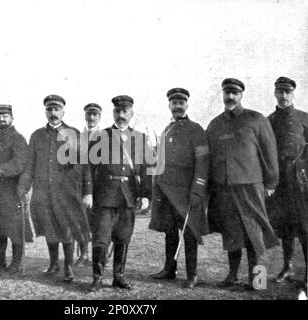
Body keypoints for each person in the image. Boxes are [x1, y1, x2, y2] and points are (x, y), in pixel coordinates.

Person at [206, 78, 280, 290]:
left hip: (250, 186)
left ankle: (258, 280)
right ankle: (232, 275)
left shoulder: (256, 120)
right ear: (222, 94)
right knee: (231, 233)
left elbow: (269, 153)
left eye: (235, 93)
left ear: (241, 95)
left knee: (254, 234)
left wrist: (271, 182)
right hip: (224, 188)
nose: (230, 97)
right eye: (227, 92)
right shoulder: (215, 124)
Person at [17, 95, 92, 282]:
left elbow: (85, 166)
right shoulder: (37, 136)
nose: (53, 113)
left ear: (63, 112)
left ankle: (68, 266)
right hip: (43, 192)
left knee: (66, 229)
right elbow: (30, 165)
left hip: (66, 193)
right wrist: (23, 187)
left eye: (56, 109)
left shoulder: (73, 134)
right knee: (49, 229)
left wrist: (87, 191)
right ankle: (53, 264)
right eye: (49, 110)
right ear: (46, 112)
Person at [89, 95, 151, 291]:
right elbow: (88, 169)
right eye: (118, 111)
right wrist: (88, 193)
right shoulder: (101, 136)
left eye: (125, 111)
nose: (121, 115)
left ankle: (118, 276)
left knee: (123, 238)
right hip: (105, 195)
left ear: (132, 113)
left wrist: (146, 195)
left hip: (128, 196)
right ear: (113, 113)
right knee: (101, 238)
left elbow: (146, 169)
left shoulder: (139, 138)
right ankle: (97, 278)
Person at [149, 88, 209, 289]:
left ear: (187, 105)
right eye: (174, 103)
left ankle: (192, 275)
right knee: (170, 231)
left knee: (189, 232)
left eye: (181, 103)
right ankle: (169, 269)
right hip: (166, 190)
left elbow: (203, 160)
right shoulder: (167, 129)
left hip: (185, 191)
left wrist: (198, 189)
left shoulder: (196, 129)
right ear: (169, 106)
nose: (177, 106)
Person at [266, 77, 308, 287]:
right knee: (285, 225)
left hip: (301, 181)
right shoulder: (269, 120)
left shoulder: (304, 118)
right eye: (279, 92)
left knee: (304, 225)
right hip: (279, 180)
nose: (283, 96)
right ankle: (288, 265)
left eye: (287, 92)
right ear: (275, 93)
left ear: (293, 94)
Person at [0, 104, 33, 274]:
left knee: (14, 228)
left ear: (12, 118)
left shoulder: (18, 138)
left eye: (5, 116)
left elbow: (20, 163)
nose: (1, 119)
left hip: (12, 190)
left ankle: (17, 262)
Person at [74, 103, 102, 267]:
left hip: (100, 186)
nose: (91, 118)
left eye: (95, 115)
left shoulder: (105, 136)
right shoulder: (78, 136)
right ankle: (84, 254)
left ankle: (98, 257)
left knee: (99, 222)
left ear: (99, 117)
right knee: (81, 220)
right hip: (81, 185)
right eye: (89, 114)